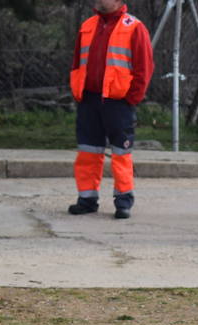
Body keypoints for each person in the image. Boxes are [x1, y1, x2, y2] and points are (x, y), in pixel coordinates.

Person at [67, 0, 154, 219]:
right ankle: (87, 198)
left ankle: (123, 201)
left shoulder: (134, 26)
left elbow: (144, 67)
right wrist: (78, 92)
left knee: (121, 153)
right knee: (88, 151)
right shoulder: (87, 25)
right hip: (89, 99)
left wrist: (131, 99)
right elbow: (77, 62)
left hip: (118, 101)